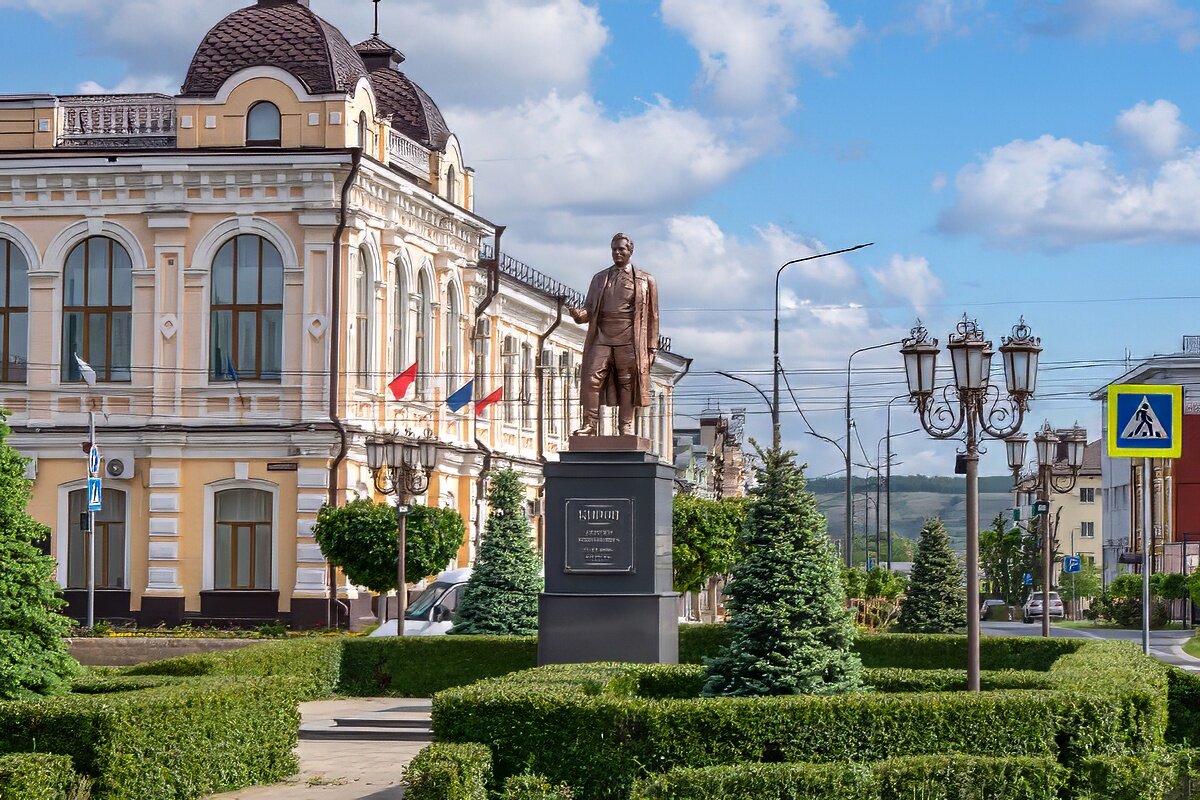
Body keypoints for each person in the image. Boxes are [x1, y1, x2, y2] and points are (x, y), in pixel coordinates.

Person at [568, 233, 659, 436]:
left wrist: (652, 347)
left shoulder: (645, 280)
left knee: (627, 381)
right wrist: (578, 315)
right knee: (592, 378)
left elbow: (653, 316)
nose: (617, 253)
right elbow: (589, 310)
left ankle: (625, 427)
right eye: (614, 249)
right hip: (602, 336)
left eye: (621, 249)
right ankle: (590, 425)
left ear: (630, 251)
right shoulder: (600, 278)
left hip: (629, 337)